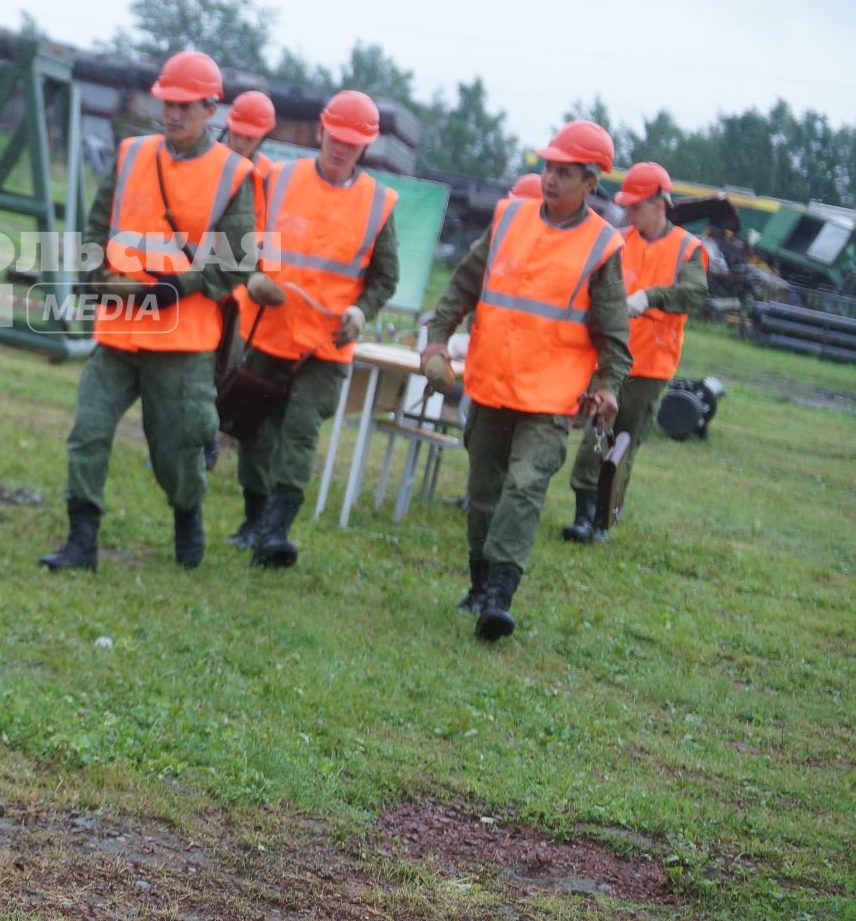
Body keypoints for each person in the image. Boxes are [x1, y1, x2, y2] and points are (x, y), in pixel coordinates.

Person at [39, 51, 257, 572]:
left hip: (181, 343)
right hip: (117, 331)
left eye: (185, 105)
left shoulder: (234, 174)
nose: (174, 113)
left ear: (210, 108)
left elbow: (240, 263)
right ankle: (81, 541)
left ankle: (187, 512)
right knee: (88, 430)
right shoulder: (132, 154)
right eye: (167, 102)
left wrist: (178, 287)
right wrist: (95, 274)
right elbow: (98, 227)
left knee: (175, 454)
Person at [422, 120, 631, 641]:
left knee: (525, 486)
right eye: (547, 168)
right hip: (490, 384)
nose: (551, 179)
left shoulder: (602, 246)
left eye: (564, 173)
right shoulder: (509, 217)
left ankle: (500, 595)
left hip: (549, 398)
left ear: (590, 184)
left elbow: (614, 334)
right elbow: (465, 283)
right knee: (484, 490)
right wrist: (436, 338)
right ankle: (477, 584)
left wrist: (608, 386)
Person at [228, 90, 400, 566]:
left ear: (365, 146)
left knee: (300, 427)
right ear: (321, 130)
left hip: (326, 346)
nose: (341, 148)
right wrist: (251, 275)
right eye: (336, 137)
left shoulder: (378, 204)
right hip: (269, 330)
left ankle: (276, 532)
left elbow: (385, 277)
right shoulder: (278, 179)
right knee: (255, 430)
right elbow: (239, 242)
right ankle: (254, 519)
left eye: (352, 142)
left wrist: (363, 311)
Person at [561, 161, 708, 542]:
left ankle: (603, 520)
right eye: (626, 206)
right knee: (598, 432)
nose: (627, 212)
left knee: (623, 440)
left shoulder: (687, 248)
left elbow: (694, 294)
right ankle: (584, 514)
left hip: (651, 365)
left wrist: (651, 297)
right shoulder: (620, 239)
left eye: (635, 205)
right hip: (611, 358)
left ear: (660, 203)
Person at [203, 89, 277, 485]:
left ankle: (208, 440)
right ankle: (192, 440)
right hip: (195, 279)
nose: (240, 141)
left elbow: (266, 233)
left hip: (239, 292)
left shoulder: (266, 178)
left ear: (264, 136)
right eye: (237, 132)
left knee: (222, 372)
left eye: (250, 136)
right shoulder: (206, 163)